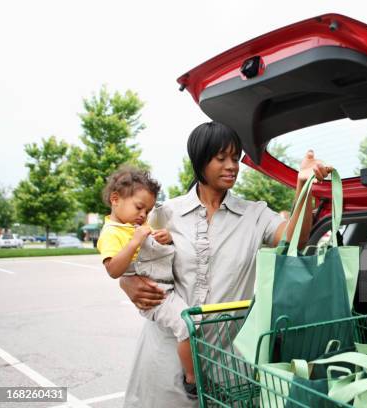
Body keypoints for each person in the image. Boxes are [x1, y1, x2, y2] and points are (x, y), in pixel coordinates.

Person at [119, 122, 332, 407]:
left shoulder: (254, 214)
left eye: (235, 158)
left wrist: (303, 186)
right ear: (200, 161)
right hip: (165, 358)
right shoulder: (165, 214)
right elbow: (130, 259)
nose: (232, 166)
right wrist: (126, 282)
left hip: (228, 363)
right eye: (221, 158)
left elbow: (297, 239)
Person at [96, 167, 198, 398]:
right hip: (155, 293)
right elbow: (113, 269)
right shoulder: (112, 232)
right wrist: (134, 243)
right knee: (187, 325)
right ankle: (192, 378)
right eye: (139, 207)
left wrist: (166, 236)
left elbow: (156, 241)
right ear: (115, 199)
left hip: (164, 284)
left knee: (190, 322)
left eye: (149, 210)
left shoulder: (135, 226)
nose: (144, 215)